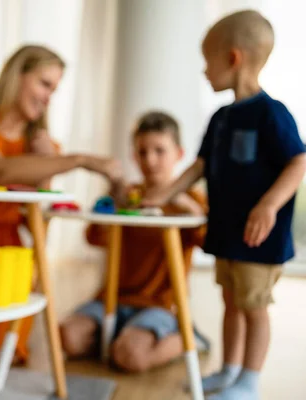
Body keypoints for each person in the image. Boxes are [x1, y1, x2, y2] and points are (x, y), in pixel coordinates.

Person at [143, 10, 306, 400]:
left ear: (232, 59)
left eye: (207, 62)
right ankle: (231, 370)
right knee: (231, 303)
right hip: (227, 232)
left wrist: (269, 205)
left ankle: (250, 380)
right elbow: (198, 167)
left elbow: (298, 160)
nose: (204, 72)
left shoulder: (271, 113)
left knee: (254, 307)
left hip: (257, 239)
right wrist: (160, 195)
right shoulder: (219, 118)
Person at [0, 45, 120, 365]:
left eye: (54, 90)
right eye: (44, 84)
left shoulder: (44, 148)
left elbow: (37, 225)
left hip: (5, 253)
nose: (48, 97)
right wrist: (80, 160)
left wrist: (48, 164)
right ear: (17, 76)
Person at [59, 111, 210, 373]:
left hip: (160, 304)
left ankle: (189, 338)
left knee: (131, 357)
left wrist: (180, 201)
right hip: (111, 299)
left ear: (179, 154)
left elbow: (207, 241)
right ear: (133, 155)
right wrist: (114, 200)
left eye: (159, 151)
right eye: (142, 152)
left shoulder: (191, 199)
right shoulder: (128, 195)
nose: (150, 160)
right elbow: (93, 237)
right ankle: (119, 338)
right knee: (68, 337)